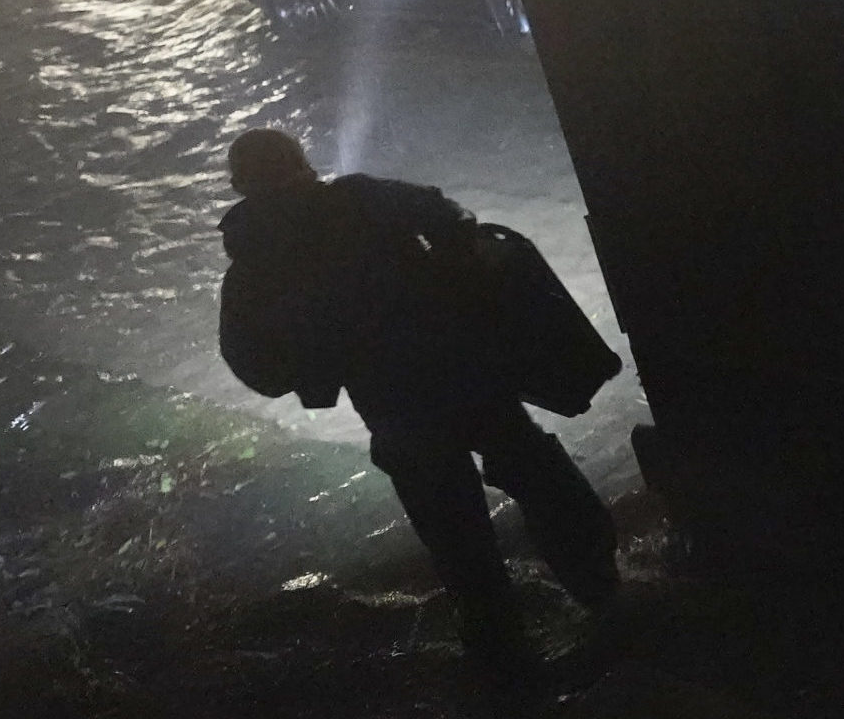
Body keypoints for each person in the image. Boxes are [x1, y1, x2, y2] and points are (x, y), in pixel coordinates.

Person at [214, 128, 619, 684]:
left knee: (455, 535)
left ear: (242, 186)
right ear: (302, 164)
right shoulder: (359, 198)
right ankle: (606, 597)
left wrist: (314, 366)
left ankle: (508, 663)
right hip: (461, 370)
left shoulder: (252, 267)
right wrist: (460, 284)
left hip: (391, 406)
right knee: (539, 475)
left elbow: (252, 363)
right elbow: (447, 217)